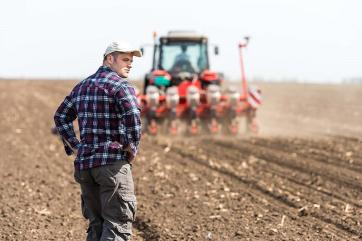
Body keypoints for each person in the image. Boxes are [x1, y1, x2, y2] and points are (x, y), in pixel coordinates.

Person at [54, 41, 142, 241]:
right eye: (125, 59)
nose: (130, 64)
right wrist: (131, 147)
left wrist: (77, 147)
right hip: (112, 165)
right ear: (109, 59)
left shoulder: (82, 86)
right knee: (117, 226)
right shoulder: (121, 86)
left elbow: (60, 116)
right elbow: (133, 118)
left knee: (96, 227)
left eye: (131, 60)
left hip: (85, 167)